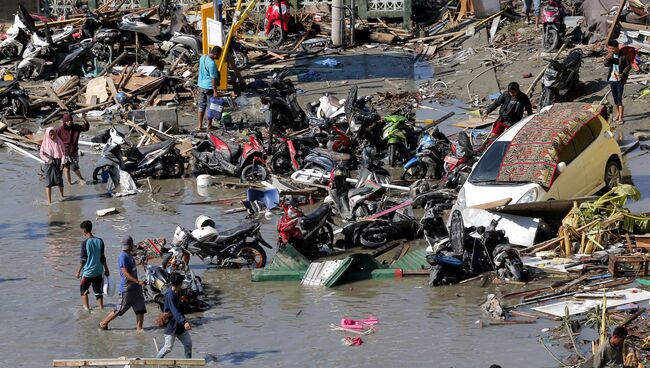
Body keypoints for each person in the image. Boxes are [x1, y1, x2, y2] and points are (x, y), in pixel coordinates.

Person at [99, 236, 147, 332]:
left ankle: (139, 330)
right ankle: (103, 323)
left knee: (140, 309)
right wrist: (138, 281)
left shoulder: (129, 255)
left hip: (136, 289)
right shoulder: (123, 256)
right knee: (120, 309)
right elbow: (125, 273)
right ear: (130, 245)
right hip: (127, 289)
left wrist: (140, 262)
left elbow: (131, 267)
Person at [155, 273, 193, 359]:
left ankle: (188, 363)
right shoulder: (170, 295)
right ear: (179, 284)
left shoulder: (177, 292)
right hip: (172, 325)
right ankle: (155, 361)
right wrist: (185, 322)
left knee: (188, 344)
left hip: (179, 325)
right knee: (168, 347)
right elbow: (175, 311)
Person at [75, 220, 109, 310]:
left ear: (85, 231)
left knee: (83, 289)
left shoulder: (85, 243)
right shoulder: (100, 241)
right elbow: (102, 257)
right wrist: (106, 269)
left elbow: (83, 259)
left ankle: (87, 309)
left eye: (81, 230)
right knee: (98, 291)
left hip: (88, 273)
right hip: (98, 271)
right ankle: (101, 308)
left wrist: (78, 271)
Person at [56, 111, 89, 185]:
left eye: (70, 120)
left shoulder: (76, 127)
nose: (69, 122)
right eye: (67, 121)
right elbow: (54, 140)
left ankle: (81, 178)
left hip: (73, 151)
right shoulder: (59, 130)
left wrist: (85, 120)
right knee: (66, 168)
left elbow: (85, 128)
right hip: (64, 152)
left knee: (74, 167)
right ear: (64, 121)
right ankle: (69, 183)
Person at [604, 40, 631, 125]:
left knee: (619, 99)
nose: (611, 50)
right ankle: (618, 113)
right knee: (615, 99)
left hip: (620, 80)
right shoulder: (610, 54)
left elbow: (628, 65)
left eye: (612, 48)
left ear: (617, 47)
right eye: (609, 48)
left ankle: (621, 117)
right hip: (612, 79)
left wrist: (623, 73)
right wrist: (607, 59)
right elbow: (606, 64)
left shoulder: (624, 54)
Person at [197, 46, 222, 131]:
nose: (219, 57)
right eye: (219, 55)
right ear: (215, 54)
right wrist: (215, 91)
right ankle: (209, 126)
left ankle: (199, 126)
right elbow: (213, 78)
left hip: (200, 85)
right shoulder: (212, 64)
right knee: (210, 107)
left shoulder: (203, 57)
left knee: (201, 106)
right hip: (208, 88)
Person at [40, 127, 66, 204]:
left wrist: (62, 163)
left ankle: (62, 196)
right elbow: (41, 154)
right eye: (50, 135)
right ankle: (49, 201)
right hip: (49, 163)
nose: (52, 136)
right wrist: (48, 160)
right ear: (47, 135)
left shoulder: (59, 141)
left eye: (53, 134)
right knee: (48, 183)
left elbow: (63, 153)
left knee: (59, 181)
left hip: (58, 162)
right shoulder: (45, 142)